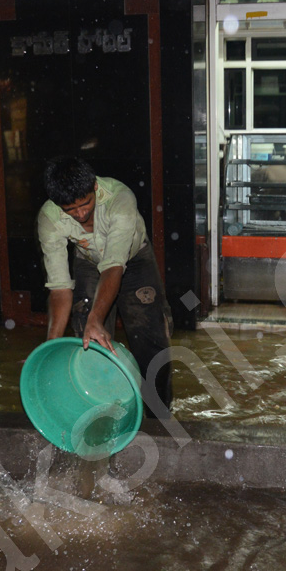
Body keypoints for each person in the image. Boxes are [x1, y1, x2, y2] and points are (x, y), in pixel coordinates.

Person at [37, 155, 173, 417]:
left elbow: (113, 266)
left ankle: (159, 415)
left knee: (151, 341)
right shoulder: (49, 217)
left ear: (95, 188)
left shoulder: (120, 199)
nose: (80, 213)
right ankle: (99, 413)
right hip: (88, 261)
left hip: (133, 260)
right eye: (70, 210)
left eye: (85, 204)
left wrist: (97, 318)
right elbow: (59, 287)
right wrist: (50, 346)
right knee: (87, 340)